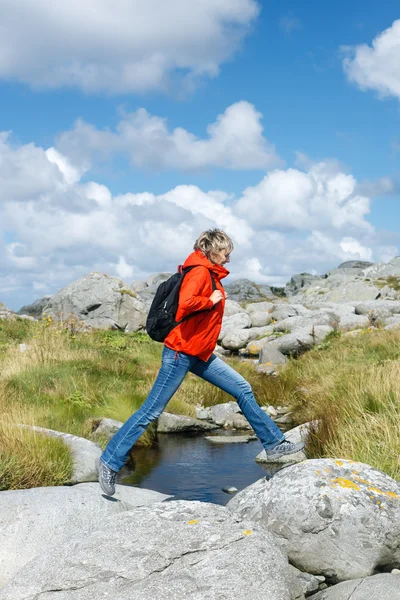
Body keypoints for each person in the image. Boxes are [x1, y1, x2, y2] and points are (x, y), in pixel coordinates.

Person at [97, 229, 304, 495]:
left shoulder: (209, 272)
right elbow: (186, 304)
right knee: (150, 411)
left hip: (199, 353)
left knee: (242, 388)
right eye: (226, 252)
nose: (229, 258)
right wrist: (210, 300)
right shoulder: (199, 272)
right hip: (180, 352)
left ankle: (274, 444)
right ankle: (109, 462)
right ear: (213, 250)